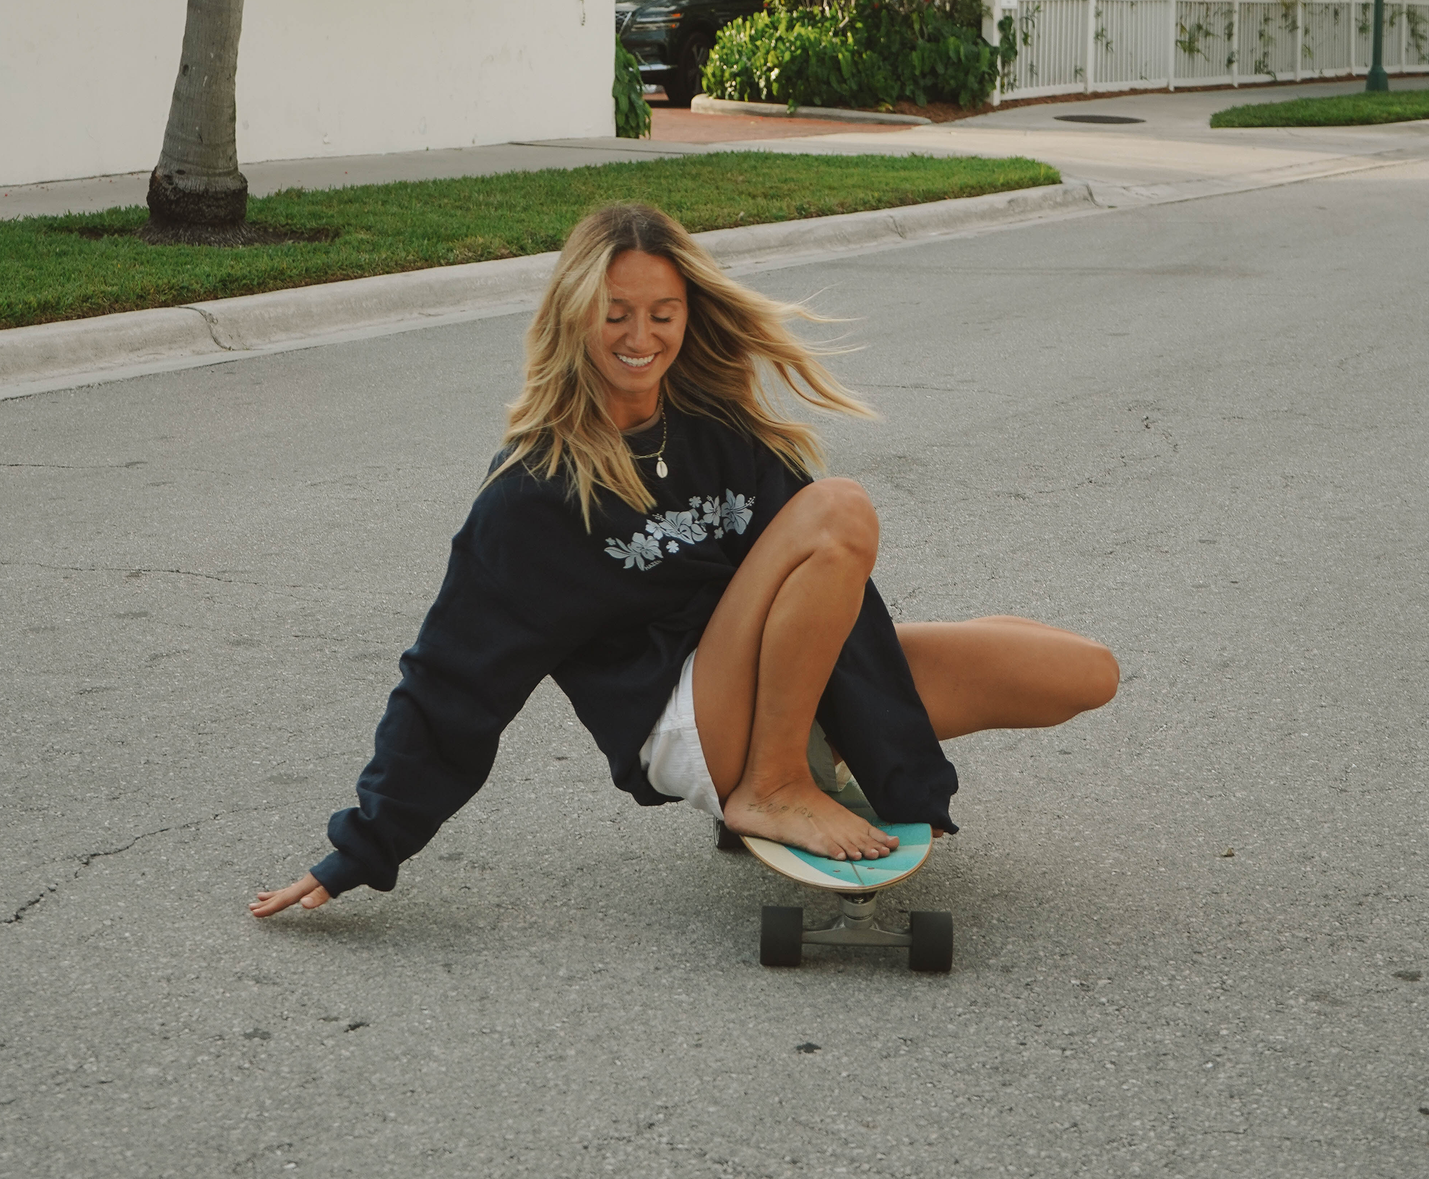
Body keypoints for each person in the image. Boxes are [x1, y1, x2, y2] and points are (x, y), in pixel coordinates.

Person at [252, 202, 1118, 919]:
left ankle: (814, 754)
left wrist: (873, 696)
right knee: (840, 510)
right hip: (688, 721)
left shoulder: (719, 435)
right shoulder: (535, 492)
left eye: (661, 314)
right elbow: (450, 677)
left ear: (686, 316)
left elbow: (819, 589)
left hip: (771, 680)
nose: (640, 335)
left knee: (1083, 672)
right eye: (615, 313)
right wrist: (360, 848)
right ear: (573, 317)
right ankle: (771, 786)